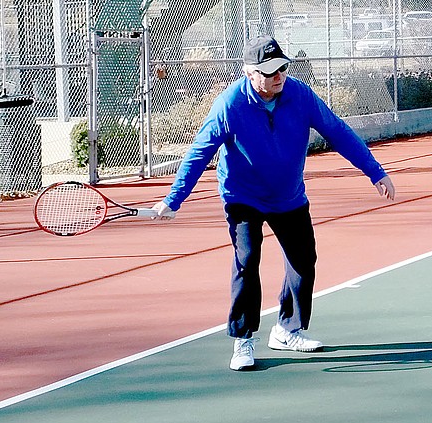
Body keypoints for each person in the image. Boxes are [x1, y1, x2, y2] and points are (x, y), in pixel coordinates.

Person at [151, 35, 395, 370]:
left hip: (288, 196)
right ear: (249, 73)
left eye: (281, 67)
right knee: (247, 261)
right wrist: (174, 199)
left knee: (303, 261)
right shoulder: (229, 105)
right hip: (243, 196)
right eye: (268, 71)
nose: (277, 75)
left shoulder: (300, 95)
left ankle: (287, 329)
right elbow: (199, 153)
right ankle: (243, 339)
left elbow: (337, 131)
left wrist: (375, 171)